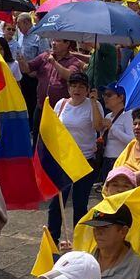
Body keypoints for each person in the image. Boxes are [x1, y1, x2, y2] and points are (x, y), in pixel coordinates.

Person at [46, 72, 105, 243]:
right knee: (56, 203)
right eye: (73, 86)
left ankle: (79, 240)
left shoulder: (94, 105)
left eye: (81, 86)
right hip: (63, 160)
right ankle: (52, 238)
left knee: (80, 203)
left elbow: (98, 127)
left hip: (85, 160)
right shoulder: (61, 104)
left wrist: (94, 101)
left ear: (87, 89)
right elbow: (54, 128)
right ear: (68, 88)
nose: (76, 89)